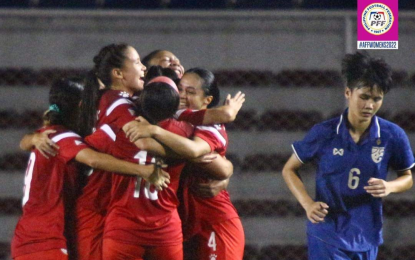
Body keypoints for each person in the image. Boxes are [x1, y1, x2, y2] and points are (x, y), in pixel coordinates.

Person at [11, 78, 169, 260]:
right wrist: (143, 170)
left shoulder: (49, 133)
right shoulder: (61, 136)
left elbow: (27, 142)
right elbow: (93, 160)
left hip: (35, 235)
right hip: (44, 237)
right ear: (81, 106)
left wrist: (29, 139)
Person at [282, 52, 414, 260]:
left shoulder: (393, 135)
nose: (369, 105)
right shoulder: (324, 132)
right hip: (327, 233)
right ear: (348, 92)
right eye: (364, 97)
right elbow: (289, 169)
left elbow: (407, 178)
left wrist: (389, 186)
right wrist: (307, 203)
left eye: (376, 99)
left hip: (367, 234)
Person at [130, 68, 245, 260]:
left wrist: (155, 133)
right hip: (181, 223)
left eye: (190, 92)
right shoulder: (176, 115)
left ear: (207, 100)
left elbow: (194, 150)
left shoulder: (210, 125)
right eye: (180, 89)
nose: (182, 96)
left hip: (212, 220)